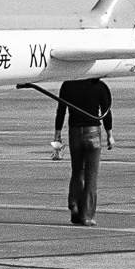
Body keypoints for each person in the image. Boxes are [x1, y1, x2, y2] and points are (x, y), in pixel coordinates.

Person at [50, 77, 113, 226]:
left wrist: (57, 134)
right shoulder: (100, 86)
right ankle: (87, 215)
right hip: (93, 132)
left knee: (77, 170)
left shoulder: (67, 85)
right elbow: (105, 112)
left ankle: (74, 204)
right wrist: (110, 135)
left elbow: (61, 111)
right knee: (91, 175)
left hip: (75, 132)